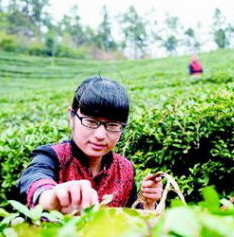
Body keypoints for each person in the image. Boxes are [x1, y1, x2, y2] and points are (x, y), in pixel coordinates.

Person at [18, 76, 163, 214]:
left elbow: (129, 218)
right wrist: (53, 197)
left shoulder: (125, 169)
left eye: (112, 125)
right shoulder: (52, 156)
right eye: (91, 122)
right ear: (72, 117)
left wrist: (148, 202)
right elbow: (35, 179)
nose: (100, 135)